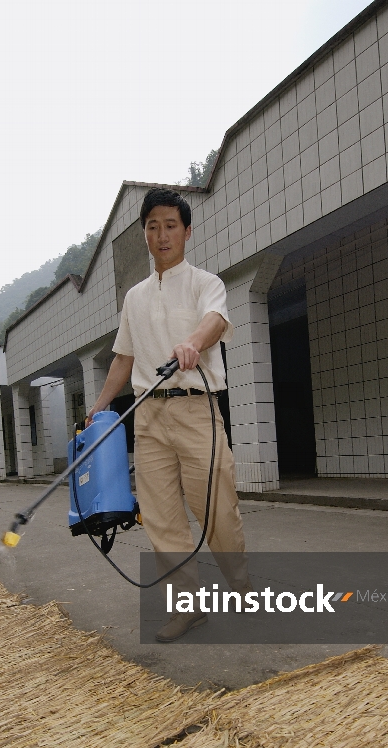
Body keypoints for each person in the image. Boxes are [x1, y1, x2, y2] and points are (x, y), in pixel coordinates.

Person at [86, 188, 250, 641]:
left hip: (197, 409)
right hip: (149, 418)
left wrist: (192, 344)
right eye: (153, 226)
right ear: (144, 234)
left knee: (216, 507)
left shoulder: (204, 282)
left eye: (170, 226)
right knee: (161, 517)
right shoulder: (134, 297)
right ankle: (188, 606)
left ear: (187, 232)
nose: (162, 235)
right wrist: (99, 408)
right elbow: (123, 357)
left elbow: (215, 320)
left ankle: (240, 587)